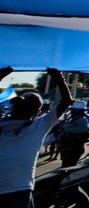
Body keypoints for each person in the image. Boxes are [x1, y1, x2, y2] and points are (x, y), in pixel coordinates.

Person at [0, 67, 72, 208]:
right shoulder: (2, 124)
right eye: (20, 103)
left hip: (19, 190)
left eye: (28, 104)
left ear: (37, 111)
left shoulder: (40, 126)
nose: (21, 107)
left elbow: (66, 101)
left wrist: (59, 77)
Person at [59, 100, 89, 167]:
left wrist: (66, 128)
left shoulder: (81, 119)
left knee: (68, 166)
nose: (71, 111)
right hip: (71, 146)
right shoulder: (76, 118)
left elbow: (84, 129)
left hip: (74, 147)